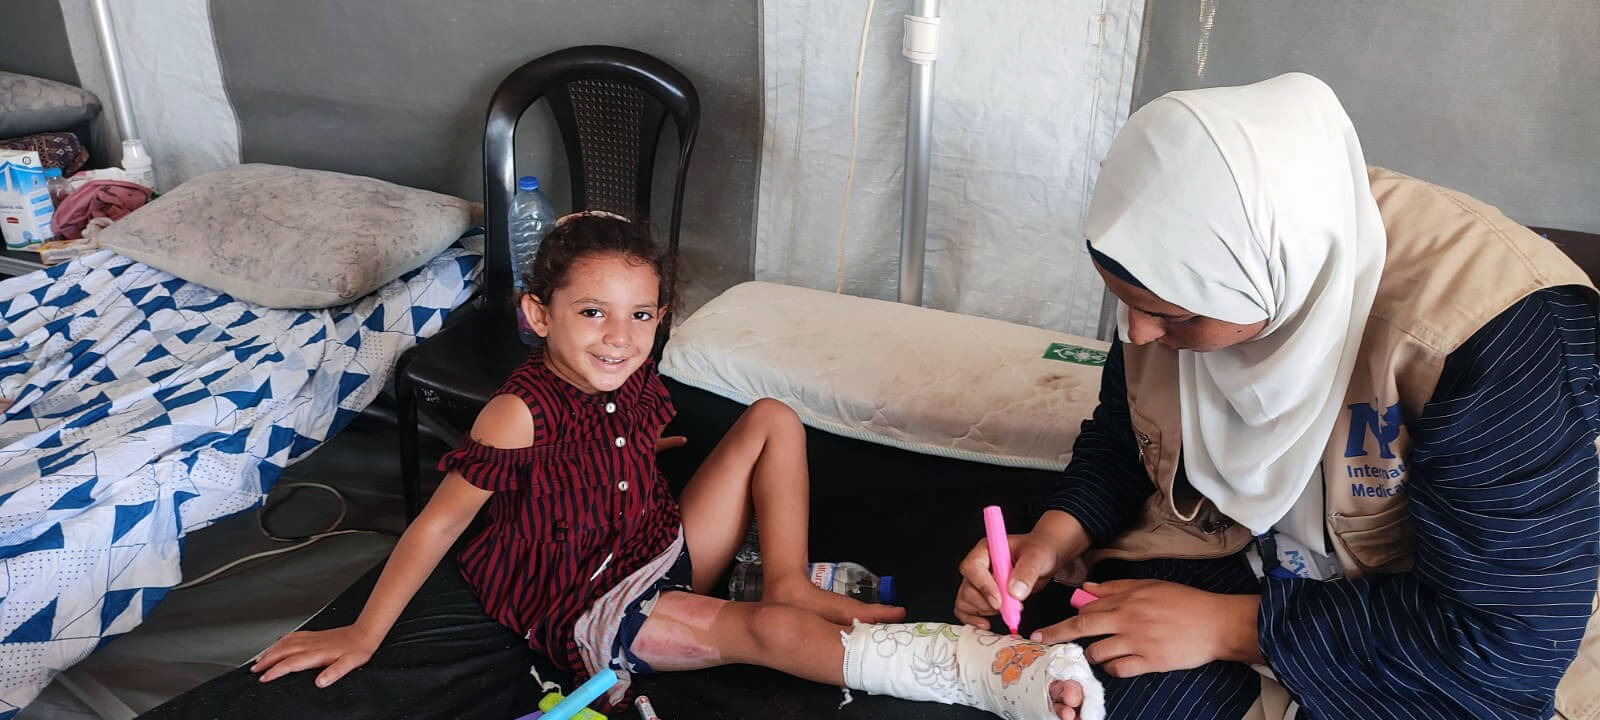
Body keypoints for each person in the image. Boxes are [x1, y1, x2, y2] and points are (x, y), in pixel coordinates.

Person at [252, 212, 1104, 720]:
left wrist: (625, 465)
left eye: (640, 315)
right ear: (538, 315)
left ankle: (788, 580)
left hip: (658, 547)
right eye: (591, 313)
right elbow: (438, 523)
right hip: (594, 601)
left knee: (772, 418)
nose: (618, 337)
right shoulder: (518, 413)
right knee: (759, 638)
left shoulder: (634, 379)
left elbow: (639, 445)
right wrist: (365, 632)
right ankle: (982, 671)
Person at [955, 73, 1600, 719]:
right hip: (1237, 556)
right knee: (1062, 681)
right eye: (1125, 304)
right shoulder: (1194, 263)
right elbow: (1128, 439)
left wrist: (1228, 627)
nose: (1139, 335)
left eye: (1172, 316)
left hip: (1428, 616)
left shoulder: (1498, 337)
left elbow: (1505, 644)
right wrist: (1053, 538)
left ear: (1275, 276)